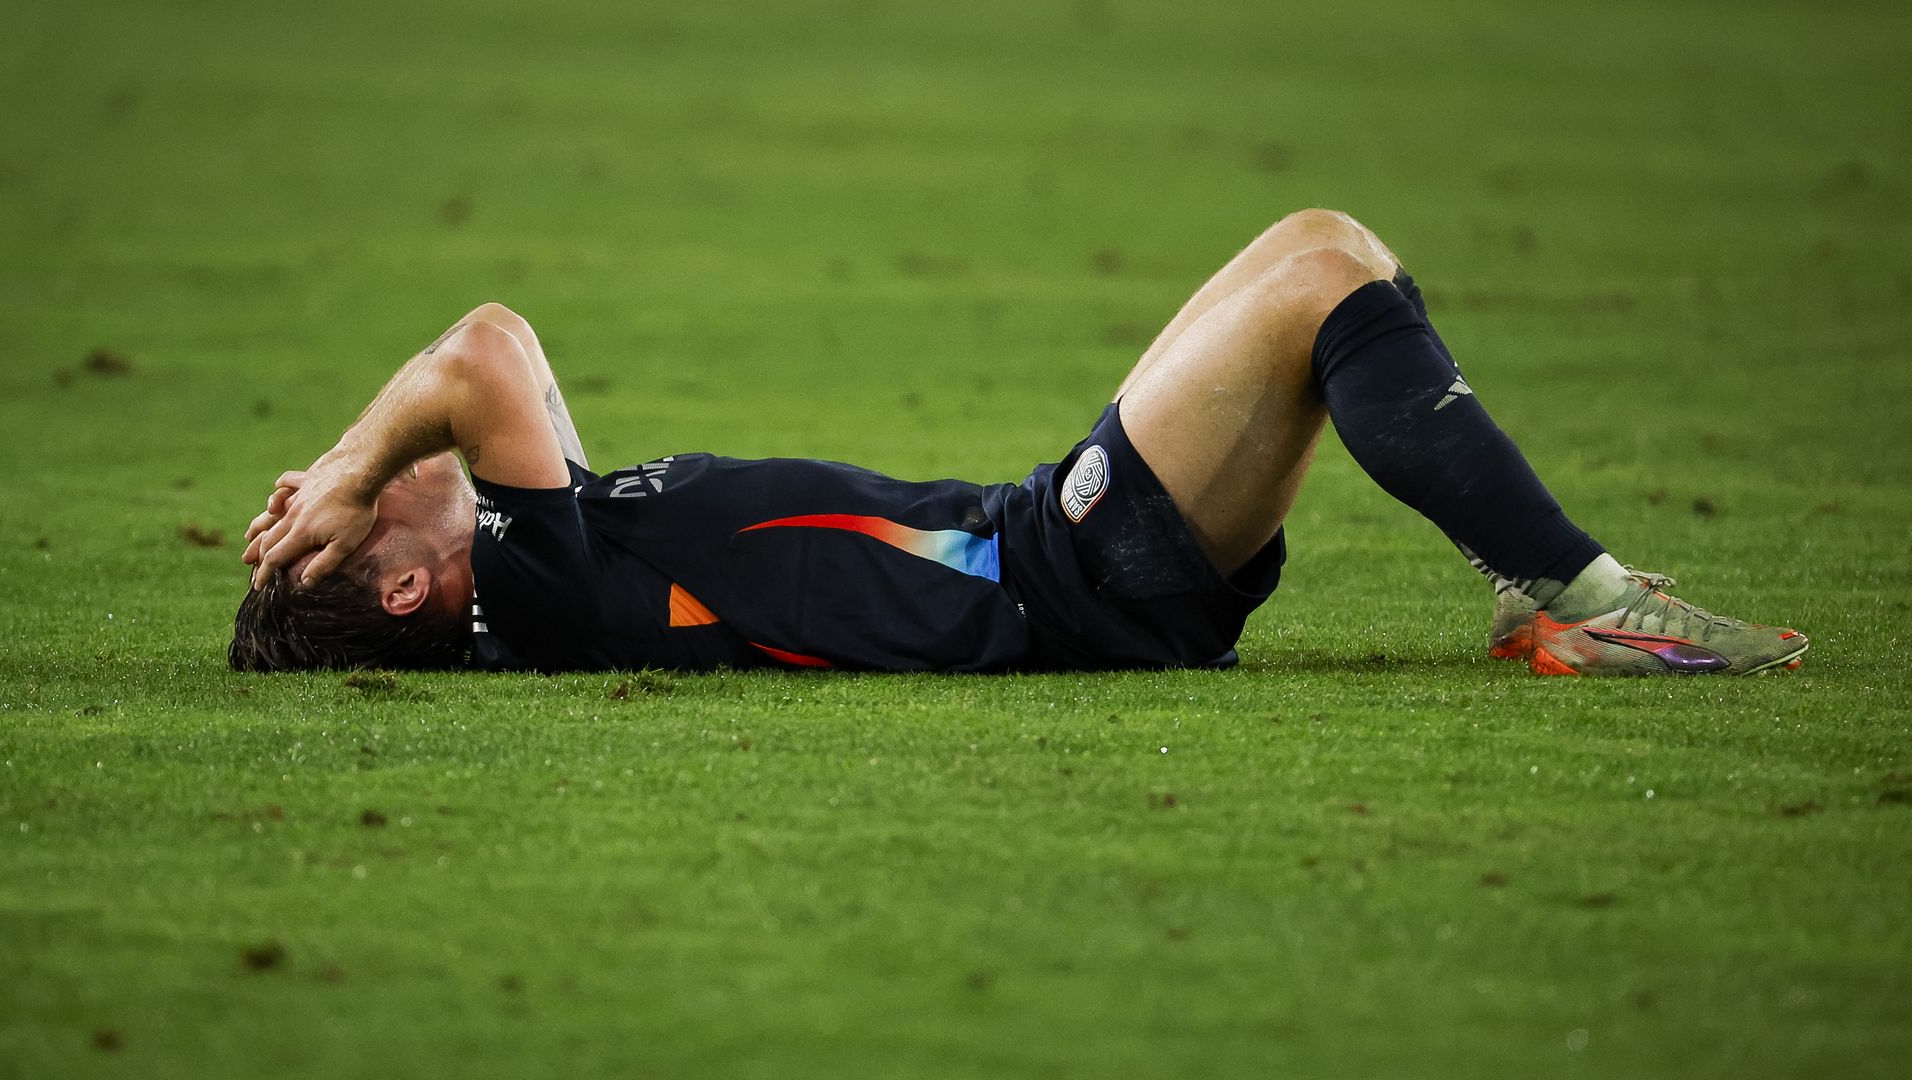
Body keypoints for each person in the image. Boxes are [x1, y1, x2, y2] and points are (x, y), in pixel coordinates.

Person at [231, 209, 1807, 677]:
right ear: (408, 591)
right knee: (1326, 276)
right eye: (348, 536)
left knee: (1343, 264)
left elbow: (494, 384)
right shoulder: (542, 595)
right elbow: (484, 349)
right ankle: (1585, 602)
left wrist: (365, 478)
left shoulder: (545, 556)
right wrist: (357, 460)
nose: (366, 491)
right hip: (1066, 575)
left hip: (1065, 552)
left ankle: (1543, 593)